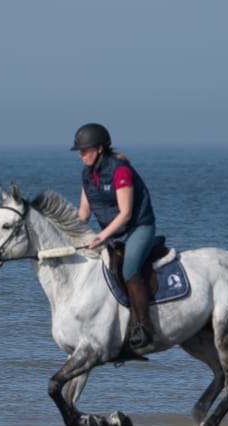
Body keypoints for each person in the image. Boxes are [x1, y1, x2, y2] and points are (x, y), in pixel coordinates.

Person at [71, 123, 157, 352]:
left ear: (100, 149)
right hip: (113, 233)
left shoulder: (120, 171)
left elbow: (126, 213)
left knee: (129, 268)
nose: (81, 155)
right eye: (79, 151)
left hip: (138, 228)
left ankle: (144, 328)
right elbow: (84, 213)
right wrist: (68, 236)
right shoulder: (87, 176)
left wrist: (101, 237)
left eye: (85, 150)